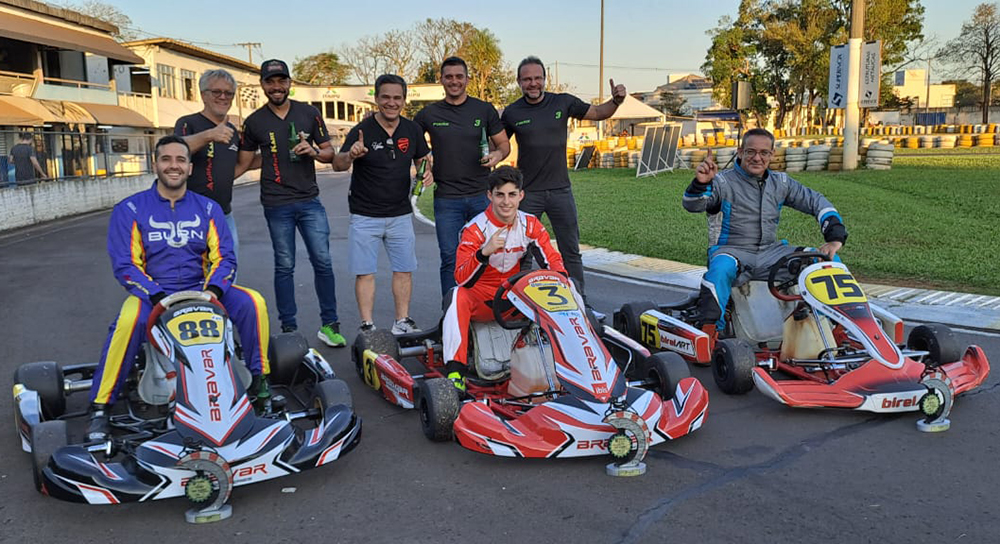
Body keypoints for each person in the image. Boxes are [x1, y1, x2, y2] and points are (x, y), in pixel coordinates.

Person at [87, 135, 271, 440]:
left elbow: (225, 257)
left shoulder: (209, 209)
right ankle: (100, 407)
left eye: (180, 160)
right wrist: (157, 295)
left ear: (189, 168)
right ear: (155, 164)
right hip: (152, 295)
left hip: (203, 290)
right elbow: (126, 265)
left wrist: (213, 291)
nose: (173, 166)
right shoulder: (130, 209)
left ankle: (261, 383)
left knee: (255, 303)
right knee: (128, 322)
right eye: (166, 159)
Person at [682, 127, 847, 343]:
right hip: (731, 252)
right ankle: (709, 333)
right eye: (751, 152)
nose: (757, 158)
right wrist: (701, 183)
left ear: (772, 155)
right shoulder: (722, 182)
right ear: (740, 152)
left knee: (827, 261)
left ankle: (831, 327)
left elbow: (816, 201)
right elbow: (693, 205)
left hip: (771, 254)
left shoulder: (782, 183)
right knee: (720, 271)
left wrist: (834, 238)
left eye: (763, 153)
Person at [501, 56, 626, 312]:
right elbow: (498, 145)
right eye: (527, 79)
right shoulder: (512, 112)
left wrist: (616, 101)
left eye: (537, 78)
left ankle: (580, 302)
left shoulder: (563, 102)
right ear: (519, 82)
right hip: (529, 194)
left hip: (560, 191)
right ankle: (520, 306)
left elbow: (599, 113)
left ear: (545, 79)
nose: (533, 83)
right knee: (521, 253)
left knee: (570, 251)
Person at [237, 59, 346, 347]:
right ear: (262, 85)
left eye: (281, 81)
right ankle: (289, 328)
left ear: (289, 83)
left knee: (323, 262)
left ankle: (330, 324)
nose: (276, 87)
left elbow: (329, 154)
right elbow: (244, 162)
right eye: (270, 81)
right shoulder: (254, 122)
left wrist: (312, 150)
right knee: (284, 266)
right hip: (276, 203)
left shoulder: (309, 113)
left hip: (309, 200)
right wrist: (210, 179)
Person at [441, 166, 566, 390]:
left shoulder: (530, 224)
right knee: (456, 295)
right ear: (490, 196)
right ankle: (455, 373)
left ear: (521, 196)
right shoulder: (475, 229)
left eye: (511, 195)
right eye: (500, 195)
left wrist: (562, 283)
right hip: (481, 300)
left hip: (514, 298)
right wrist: (483, 253)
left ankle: (571, 359)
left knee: (563, 286)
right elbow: (461, 278)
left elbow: (553, 262)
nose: (506, 202)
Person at [334, 74, 431, 334]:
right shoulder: (362, 130)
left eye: (397, 97)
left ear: (404, 100)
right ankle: (367, 325)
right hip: (365, 215)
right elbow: (338, 163)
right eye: (385, 97)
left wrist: (427, 171)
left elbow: (422, 160)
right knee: (365, 272)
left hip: (400, 214)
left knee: (404, 270)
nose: (391, 102)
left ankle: (402, 321)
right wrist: (351, 154)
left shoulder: (412, 130)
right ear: (376, 98)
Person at [414, 56, 510, 295]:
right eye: (449, 77)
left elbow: (504, 145)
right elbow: (414, 146)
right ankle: (451, 311)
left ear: (467, 79)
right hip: (447, 199)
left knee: (488, 254)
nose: (454, 81)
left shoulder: (484, 109)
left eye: (459, 76)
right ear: (441, 80)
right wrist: (423, 167)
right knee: (450, 258)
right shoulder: (429, 114)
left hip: (481, 197)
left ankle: (486, 306)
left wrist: (498, 155)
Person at [175, 69, 259, 257]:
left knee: (227, 272)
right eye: (216, 92)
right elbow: (174, 150)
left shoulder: (231, 131)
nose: (223, 97)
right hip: (188, 217)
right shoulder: (188, 123)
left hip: (223, 215)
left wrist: (279, 153)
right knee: (191, 274)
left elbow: (236, 166)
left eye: (228, 93)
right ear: (203, 95)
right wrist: (209, 135)